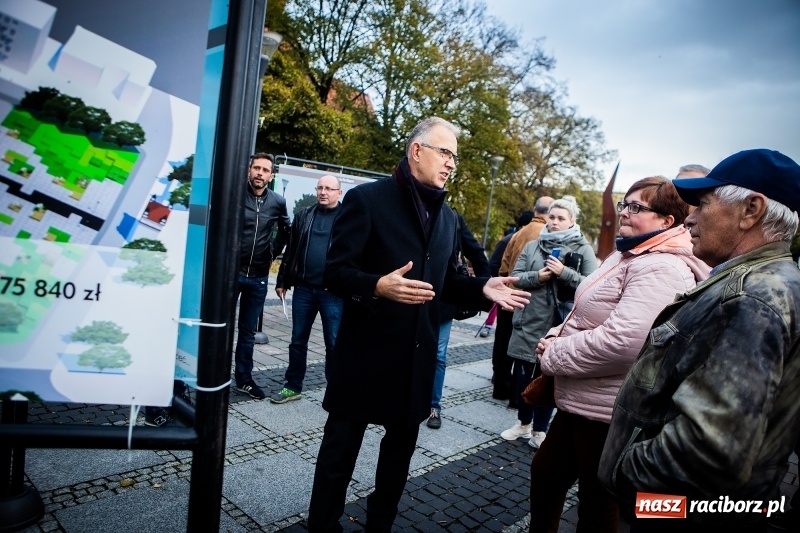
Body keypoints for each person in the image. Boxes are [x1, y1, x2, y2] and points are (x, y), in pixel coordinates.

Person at [306, 116, 530, 532]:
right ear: (416, 150)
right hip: (365, 354)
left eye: (455, 157)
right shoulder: (368, 200)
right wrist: (377, 285)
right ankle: (322, 525)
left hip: (416, 358)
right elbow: (334, 272)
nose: (451, 164)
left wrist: (483, 287)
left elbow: (445, 283)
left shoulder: (447, 218)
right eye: (445, 152)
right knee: (339, 454)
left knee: (396, 463)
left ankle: (380, 526)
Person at [599, 149, 800, 532]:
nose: (689, 216)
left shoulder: (751, 298)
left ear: (751, 210)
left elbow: (707, 450)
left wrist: (624, 472)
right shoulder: (766, 281)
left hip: (682, 513)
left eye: (703, 204)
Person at [531, 177, 709, 532]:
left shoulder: (662, 267)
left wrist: (554, 353)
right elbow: (584, 311)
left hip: (610, 411)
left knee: (597, 505)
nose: (625, 212)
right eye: (625, 204)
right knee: (546, 477)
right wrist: (555, 334)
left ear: (666, 221)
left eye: (636, 207)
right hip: (581, 400)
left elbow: (625, 341)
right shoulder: (629, 251)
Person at [500, 197, 597, 448]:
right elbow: (515, 277)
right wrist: (538, 277)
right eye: (552, 217)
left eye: (561, 218)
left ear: (572, 221)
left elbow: (592, 287)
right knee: (523, 376)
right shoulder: (533, 245)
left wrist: (563, 273)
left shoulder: (583, 248)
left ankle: (540, 430)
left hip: (560, 324)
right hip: (528, 319)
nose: (554, 222)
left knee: (549, 377)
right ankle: (523, 423)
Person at [272, 175, 344, 403]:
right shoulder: (305, 215)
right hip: (303, 290)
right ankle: (293, 386)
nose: (324, 192)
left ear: (338, 193)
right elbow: (291, 249)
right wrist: (282, 280)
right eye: (320, 188)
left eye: (329, 189)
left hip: (332, 292)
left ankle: (334, 390)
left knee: (333, 343)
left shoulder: (347, 219)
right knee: (297, 340)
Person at [234, 153, 290, 400]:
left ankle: (244, 380)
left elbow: (286, 232)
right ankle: (208, 375)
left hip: (258, 276)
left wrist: (272, 252)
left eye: (265, 170)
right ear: (249, 170)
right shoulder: (235, 194)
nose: (260, 173)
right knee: (219, 327)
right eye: (256, 168)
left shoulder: (277, 201)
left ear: (271, 175)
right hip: (230, 272)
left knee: (247, 333)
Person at [426, 212, 490, 429]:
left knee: (438, 355)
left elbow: (476, 253)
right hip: (410, 297)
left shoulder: (452, 217)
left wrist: (484, 289)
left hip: (444, 298)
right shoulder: (407, 211)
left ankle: (434, 406)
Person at [491, 198, 553, 403]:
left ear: (535, 209)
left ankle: (499, 386)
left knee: (502, 343)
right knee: (522, 349)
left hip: (508, 293)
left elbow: (503, 265)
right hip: (526, 298)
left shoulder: (518, 233)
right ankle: (519, 396)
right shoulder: (545, 235)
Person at [481, 210, 534, 338]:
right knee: (503, 333)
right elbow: (494, 264)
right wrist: (505, 280)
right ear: (523, 227)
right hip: (504, 289)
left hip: (516, 294)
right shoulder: (508, 240)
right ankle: (488, 326)